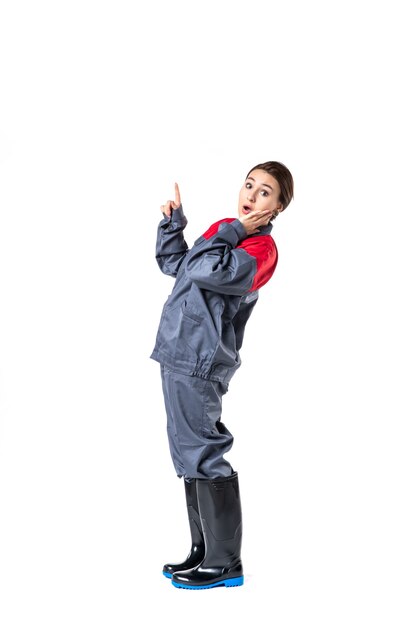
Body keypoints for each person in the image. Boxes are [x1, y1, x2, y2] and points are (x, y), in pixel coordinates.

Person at [150, 161, 294, 590]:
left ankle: (225, 562)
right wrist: (173, 227)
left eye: (265, 192)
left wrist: (229, 233)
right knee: (186, 452)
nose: (251, 195)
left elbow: (205, 271)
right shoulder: (223, 229)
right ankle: (203, 551)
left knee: (204, 452)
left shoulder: (259, 251)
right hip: (176, 349)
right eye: (249, 185)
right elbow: (177, 265)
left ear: (279, 206)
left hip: (201, 359)